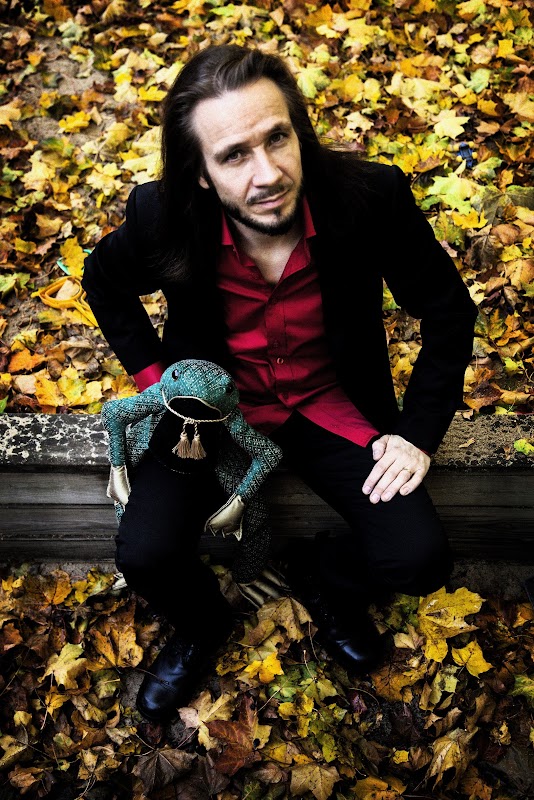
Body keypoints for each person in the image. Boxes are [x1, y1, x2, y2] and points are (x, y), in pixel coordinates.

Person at [82, 44, 478, 722]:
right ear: (200, 173)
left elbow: (448, 310)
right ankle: (204, 624)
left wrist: (417, 432)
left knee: (419, 559)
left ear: (299, 131)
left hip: (331, 405)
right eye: (234, 155)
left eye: (277, 138)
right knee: (144, 554)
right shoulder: (160, 214)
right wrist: (163, 384)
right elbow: (104, 283)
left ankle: (326, 579)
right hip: (213, 412)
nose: (267, 174)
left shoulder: (370, 198)